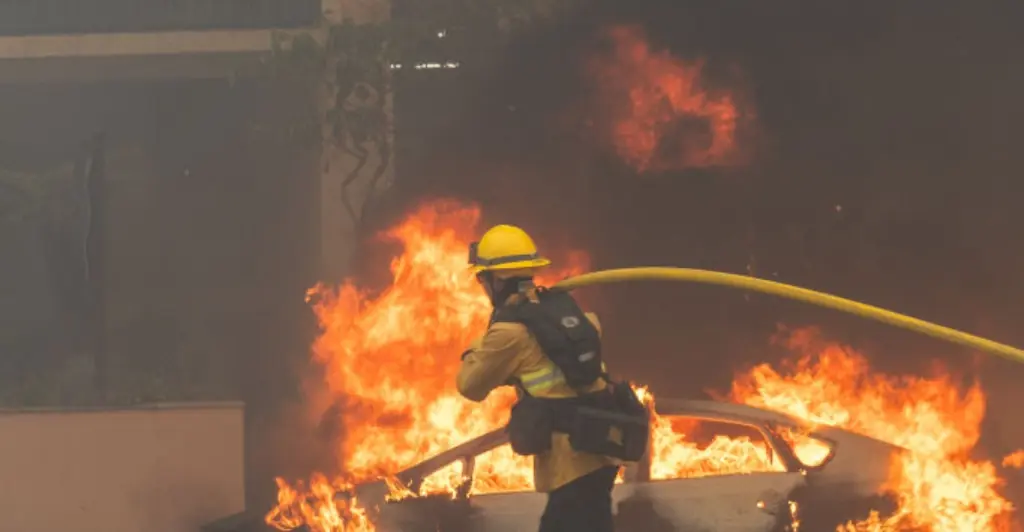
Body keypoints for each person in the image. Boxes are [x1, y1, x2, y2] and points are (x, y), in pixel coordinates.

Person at [456, 224, 649, 532]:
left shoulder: (508, 333)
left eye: (483, 279)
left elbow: (469, 385)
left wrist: (477, 345)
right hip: (601, 450)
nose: (483, 287)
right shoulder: (569, 314)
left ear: (496, 280)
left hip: (569, 464)